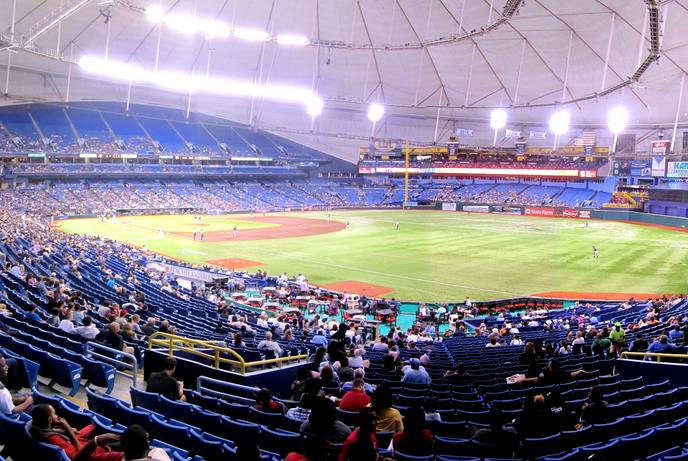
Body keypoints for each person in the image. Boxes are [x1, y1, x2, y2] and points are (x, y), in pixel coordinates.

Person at [28, 404, 123, 461]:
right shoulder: (54, 439)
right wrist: (68, 428)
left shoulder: (40, 431)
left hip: (91, 447)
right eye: (54, 414)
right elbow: (80, 454)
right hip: (92, 455)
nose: (57, 416)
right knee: (122, 443)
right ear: (49, 420)